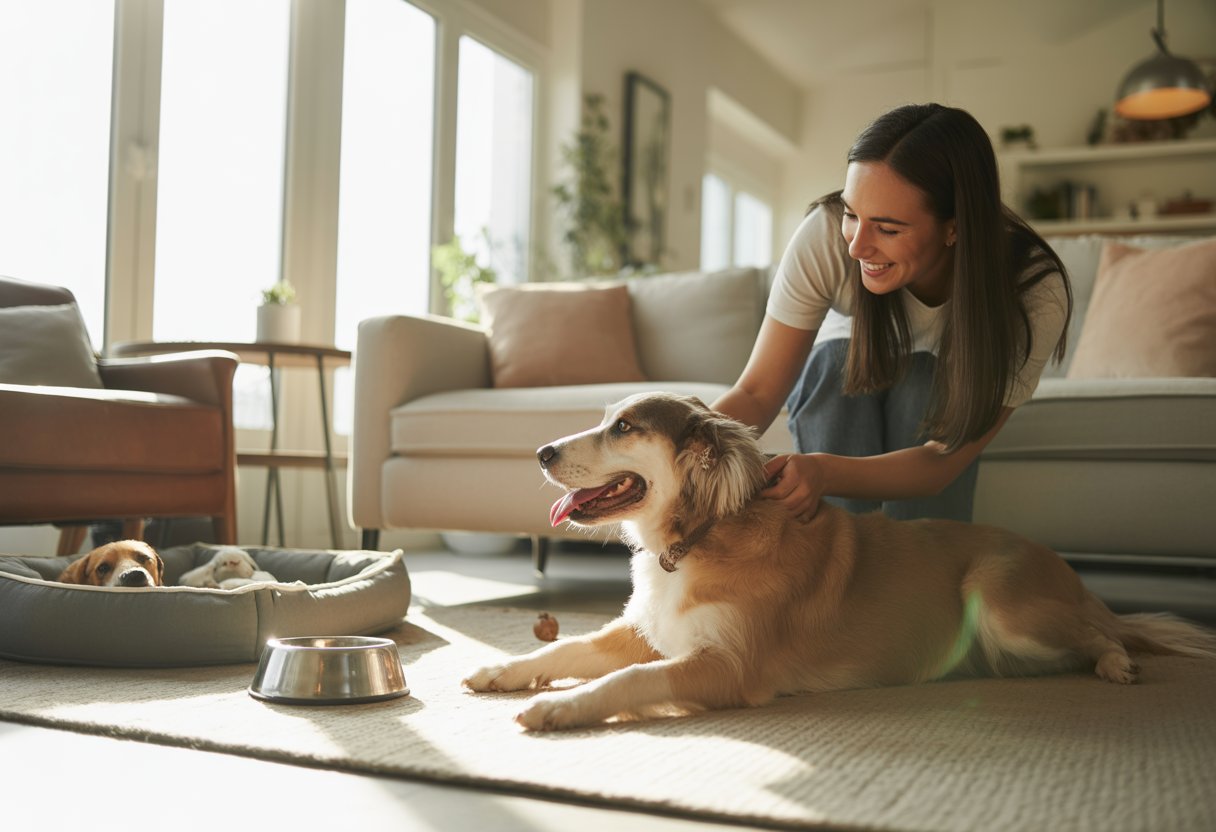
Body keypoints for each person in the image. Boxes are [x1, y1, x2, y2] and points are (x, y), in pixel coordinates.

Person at [713, 103, 1072, 524]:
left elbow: (942, 462)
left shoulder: (1033, 290)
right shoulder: (826, 235)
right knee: (835, 363)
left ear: (954, 227)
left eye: (888, 229)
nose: (856, 247)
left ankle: (920, 579)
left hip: (941, 391)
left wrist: (825, 471)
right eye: (851, 214)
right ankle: (835, 577)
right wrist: (681, 448)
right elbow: (756, 394)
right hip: (843, 367)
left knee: (925, 379)